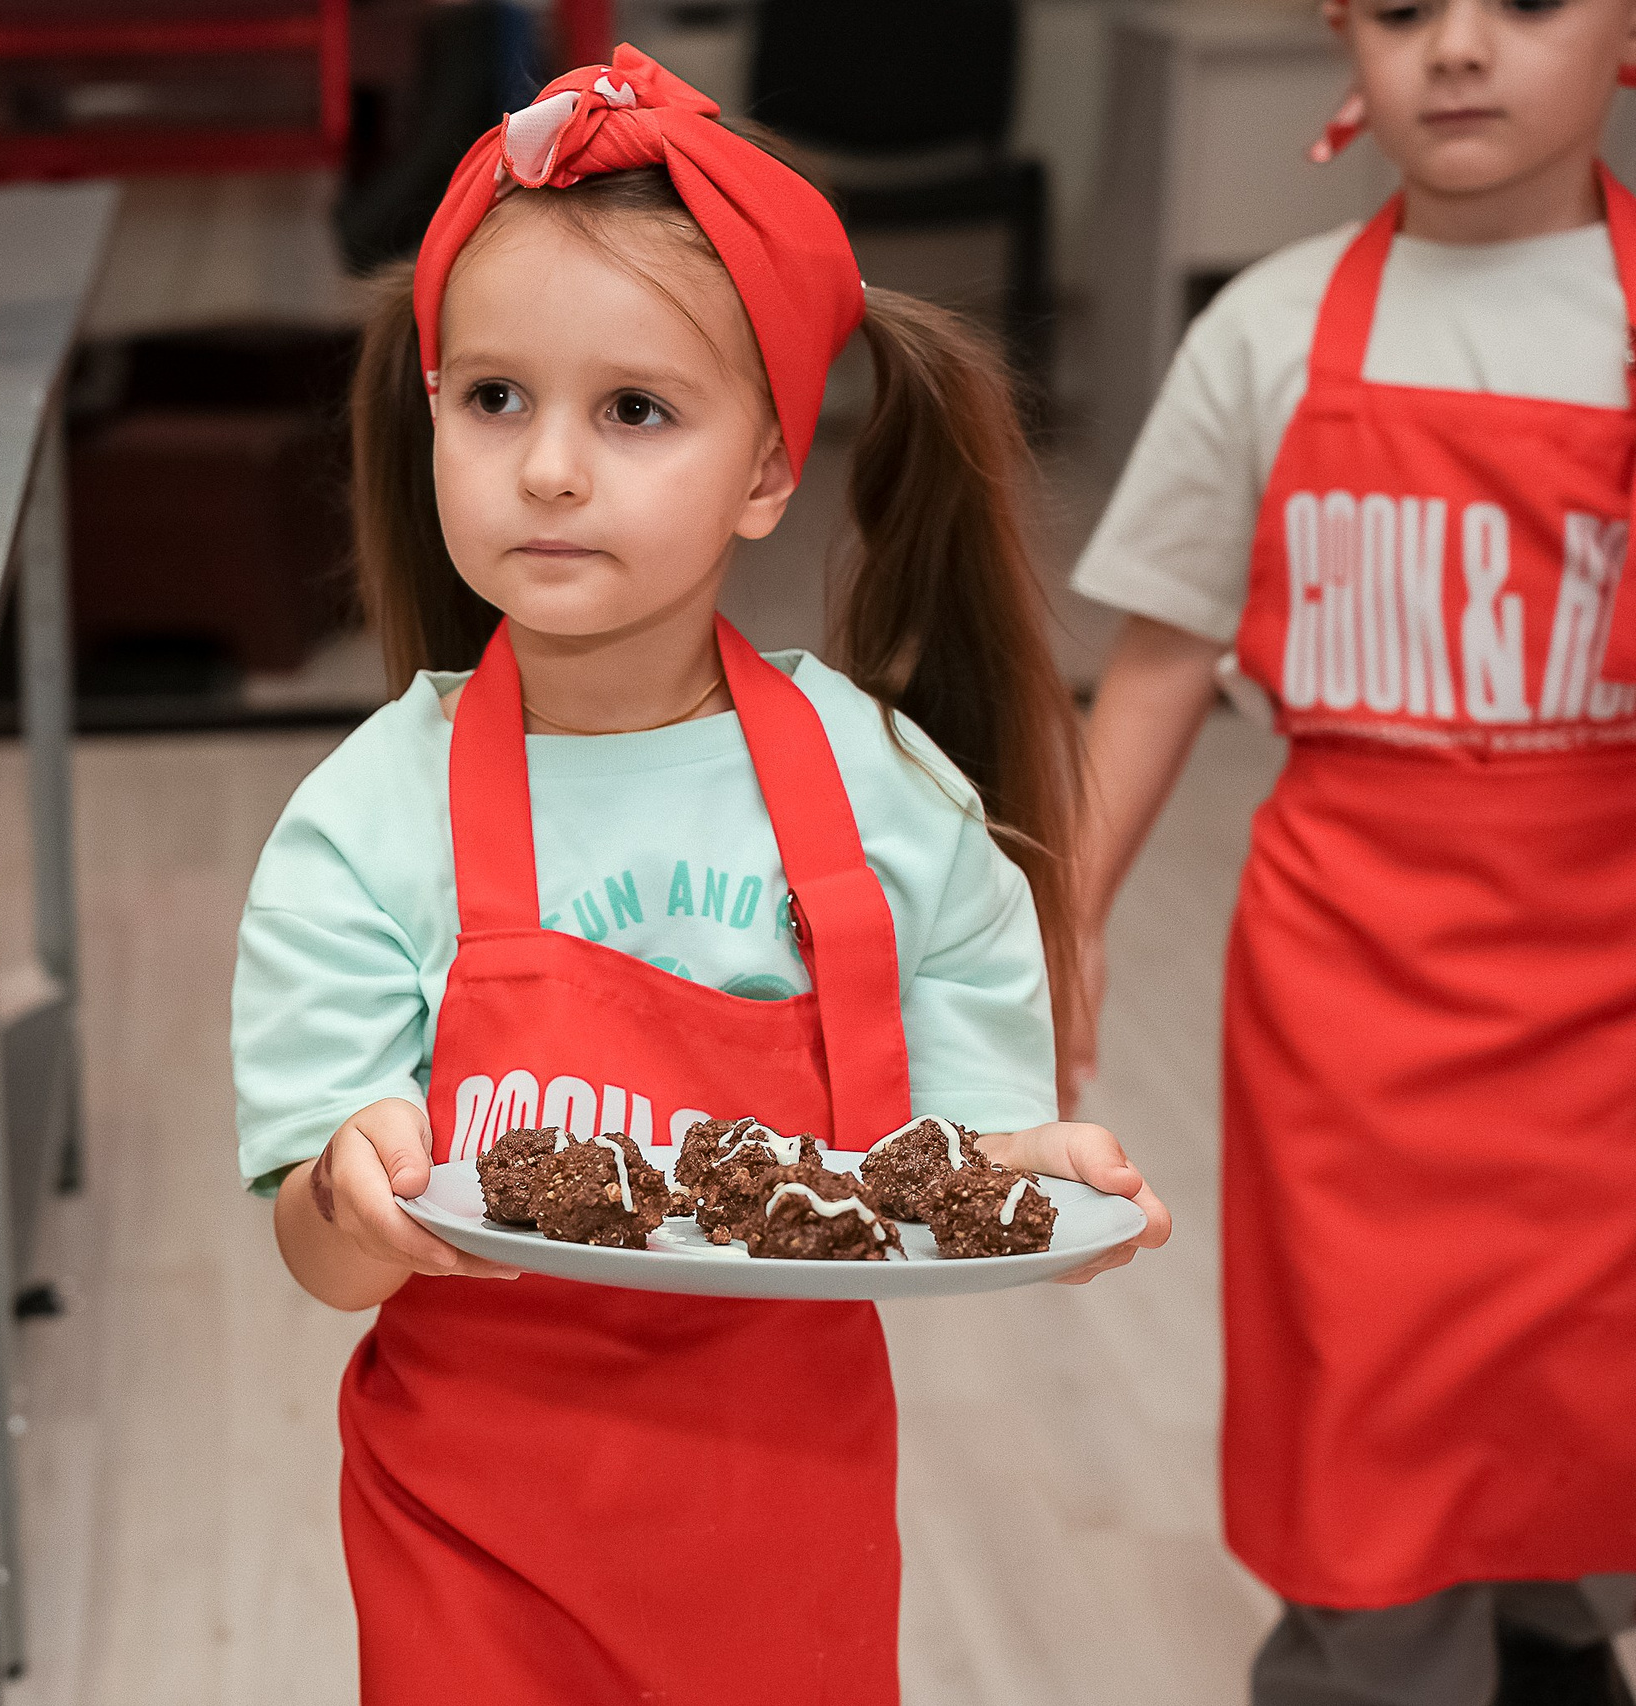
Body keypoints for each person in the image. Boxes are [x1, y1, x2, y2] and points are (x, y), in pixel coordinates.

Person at [231, 46, 1170, 1703]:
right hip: (472, 1526)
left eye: (637, 410)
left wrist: (1041, 1177)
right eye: (494, 396)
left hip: (780, 1518)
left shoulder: (887, 800)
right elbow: (320, 1260)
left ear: (765, 470)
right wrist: (352, 1186)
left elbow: (940, 1165)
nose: (549, 469)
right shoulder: (368, 817)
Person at [1070, 2, 1636, 1700]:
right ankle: (1368, 1663)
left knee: (1580, 1384)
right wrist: (1070, 912)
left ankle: (1546, 1643)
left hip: (1610, 992)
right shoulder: (1268, 329)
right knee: (1371, 1400)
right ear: (1345, 36)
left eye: (1521, 1)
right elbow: (1164, 649)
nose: (1456, 49)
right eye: (1401, 10)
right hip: (1351, 1009)